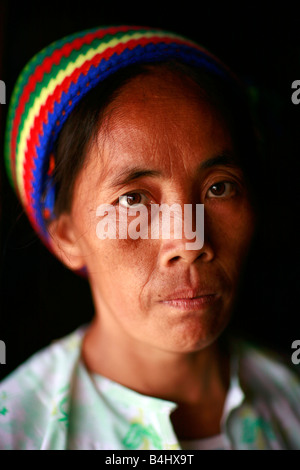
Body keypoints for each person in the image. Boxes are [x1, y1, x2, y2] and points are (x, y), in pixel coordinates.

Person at [0, 25, 299, 450]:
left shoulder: (290, 401)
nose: (189, 242)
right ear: (66, 234)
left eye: (219, 187)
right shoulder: (19, 431)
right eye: (133, 200)